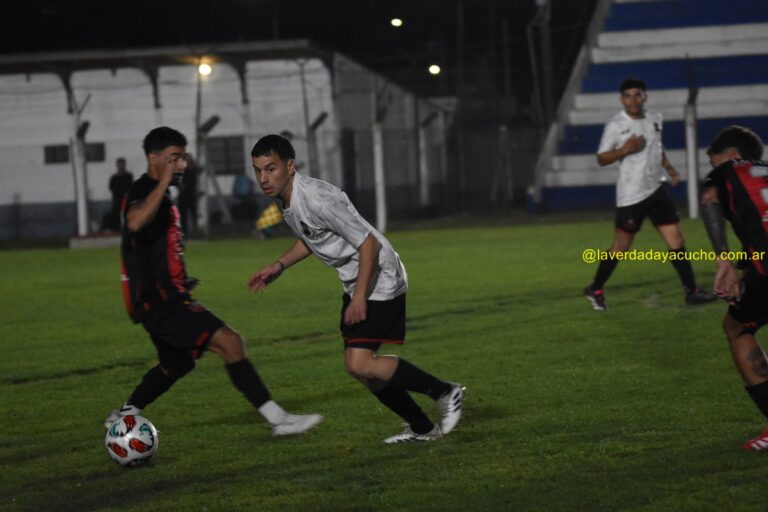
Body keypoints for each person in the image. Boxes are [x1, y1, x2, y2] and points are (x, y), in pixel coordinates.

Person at [104, 127, 323, 437]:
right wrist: (164, 180)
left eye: (183, 158)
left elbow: (151, 249)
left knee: (176, 365)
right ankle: (279, 420)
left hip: (161, 296)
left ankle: (123, 414)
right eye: (173, 159)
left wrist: (180, 278)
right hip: (160, 300)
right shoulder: (144, 189)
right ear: (153, 159)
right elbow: (136, 222)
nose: (181, 165)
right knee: (231, 342)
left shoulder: (160, 194)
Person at [247, 134, 464, 444]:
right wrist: (278, 266)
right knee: (361, 370)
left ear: (290, 166)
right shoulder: (289, 197)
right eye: (258, 170)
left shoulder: (317, 198)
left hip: (379, 276)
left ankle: (445, 391)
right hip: (358, 279)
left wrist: (360, 296)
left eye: (271, 169)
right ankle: (422, 428)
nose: (263, 178)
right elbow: (312, 237)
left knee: (359, 363)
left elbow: (369, 243)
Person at [583, 77, 717, 310]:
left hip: (657, 189)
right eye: (628, 95)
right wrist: (625, 149)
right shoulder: (616, 125)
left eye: (637, 95)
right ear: (621, 99)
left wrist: (669, 168)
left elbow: (657, 147)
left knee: (676, 240)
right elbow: (601, 158)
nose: (633, 100)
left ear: (645, 97)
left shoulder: (656, 118)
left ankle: (692, 291)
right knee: (621, 247)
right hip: (632, 194)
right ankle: (595, 288)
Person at [700, 125, 768, 451]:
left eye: (714, 163)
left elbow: (710, 197)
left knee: (737, 327)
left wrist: (724, 260)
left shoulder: (727, 171)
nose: (714, 169)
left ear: (729, 155)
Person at [101, 157, 133, 233]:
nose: (120, 167)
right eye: (119, 165)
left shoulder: (128, 177)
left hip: (126, 201)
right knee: (114, 217)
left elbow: (129, 188)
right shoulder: (114, 178)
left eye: (122, 165)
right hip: (116, 202)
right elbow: (112, 188)